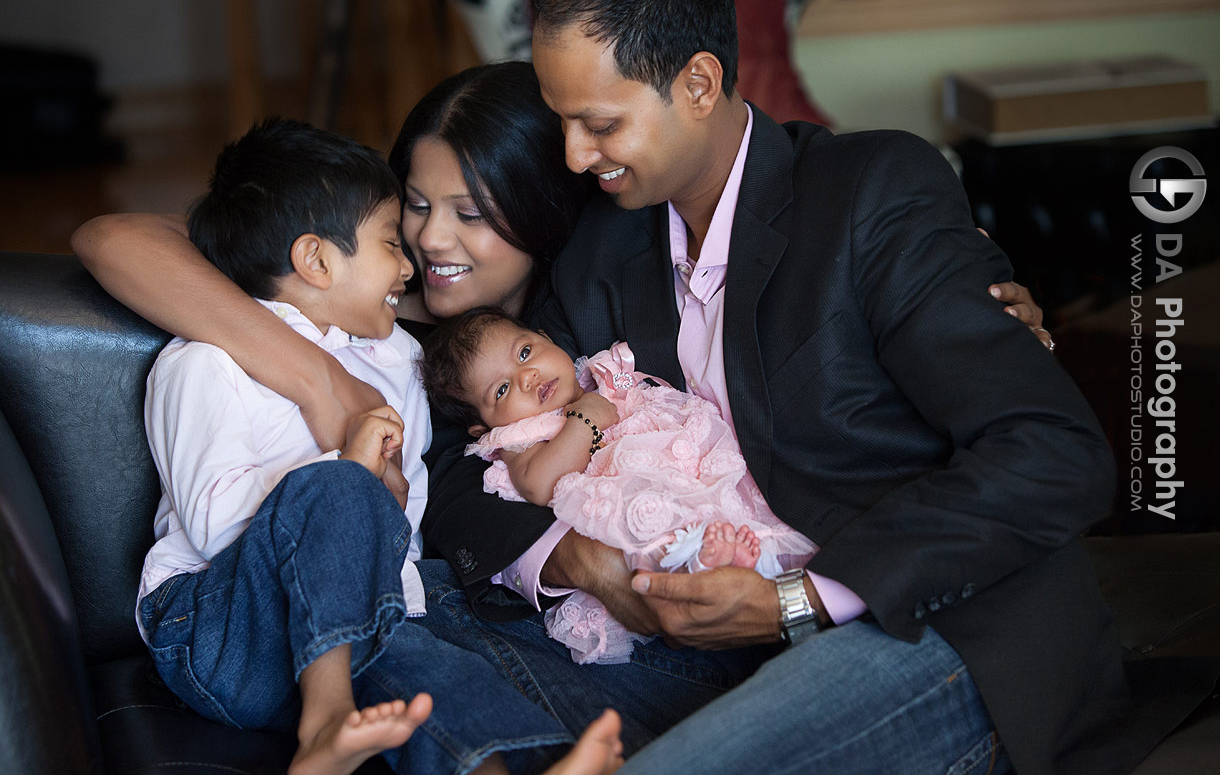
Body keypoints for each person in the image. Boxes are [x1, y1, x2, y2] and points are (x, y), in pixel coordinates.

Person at [71, 61, 1053, 760]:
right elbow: (119, 236)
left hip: (742, 607)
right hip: (499, 613)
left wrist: (966, 309)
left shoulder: (620, 300)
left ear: (544, 209)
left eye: (470, 211)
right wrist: (319, 380)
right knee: (422, 633)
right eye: (411, 204)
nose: (429, 240)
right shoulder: (378, 306)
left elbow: (812, 301)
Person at [490, 0, 1135, 772]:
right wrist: (569, 554)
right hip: (717, 650)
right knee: (412, 652)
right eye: (562, 122)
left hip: (939, 625)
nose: (575, 155)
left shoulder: (872, 192)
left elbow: (1054, 452)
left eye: (600, 124)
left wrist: (798, 600)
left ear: (698, 83)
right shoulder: (603, 249)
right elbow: (475, 441)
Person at [136, 117, 623, 775]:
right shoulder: (206, 362)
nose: (408, 263)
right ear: (315, 260)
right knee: (343, 500)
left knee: (426, 666)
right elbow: (216, 522)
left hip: (350, 624)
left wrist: (386, 498)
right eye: (391, 242)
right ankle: (326, 718)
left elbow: (406, 511)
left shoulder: (396, 357)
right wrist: (352, 478)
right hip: (219, 627)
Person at [420, 306, 816, 663]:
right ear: (483, 427)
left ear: (545, 338)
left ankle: (753, 561)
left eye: (525, 353)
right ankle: (696, 566)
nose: (527, 377)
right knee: (646, 533)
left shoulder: (601, 373)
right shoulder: (519, 436)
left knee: (733, 507)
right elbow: (540, 484)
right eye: (501, 390)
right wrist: (585, 418)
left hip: (679, 473)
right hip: (627, 511)